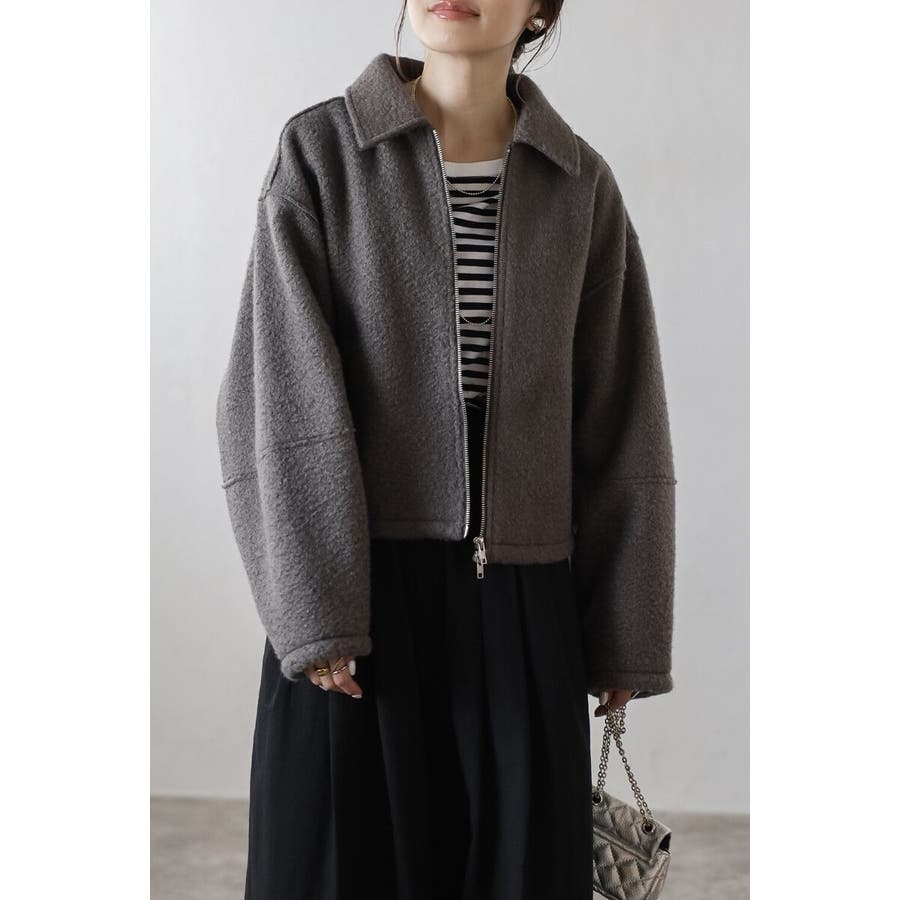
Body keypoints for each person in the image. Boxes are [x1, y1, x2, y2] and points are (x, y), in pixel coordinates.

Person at [215, 3, 677, 898]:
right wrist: (315, 610)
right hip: (358, 599)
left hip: (524, 604)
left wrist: (625, 631)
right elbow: (277, 396)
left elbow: (622, 418)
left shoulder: (578, 183)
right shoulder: (322, 155)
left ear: (539, 8)